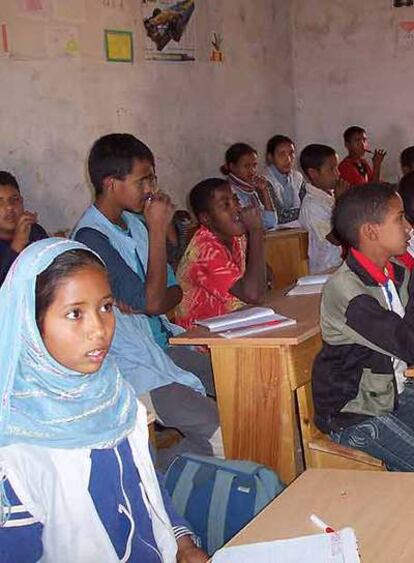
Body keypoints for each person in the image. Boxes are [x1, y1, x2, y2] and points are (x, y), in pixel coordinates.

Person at [0, 238, 208, 562]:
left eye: (106, 307)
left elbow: (147, 485)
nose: (99, 329)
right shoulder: (17, 449)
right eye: (74, 314)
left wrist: (182, 542)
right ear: (30, 322)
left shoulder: (117, 400)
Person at [73, 133, 223, 467]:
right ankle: (154, 477)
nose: (151, 189)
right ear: (111, 183)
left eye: (152, 179)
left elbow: (172, 293)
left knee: (241, 382)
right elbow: (155, 301)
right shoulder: (91, 239)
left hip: (164, 343)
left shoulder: (133, 225)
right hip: (132, 364)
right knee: (222, 434)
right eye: (143, 180)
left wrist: (146, 299)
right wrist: (158, 231)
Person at [312, 183, 414, 471]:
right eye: (400, 219)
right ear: (371, 231)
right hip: (354, 414)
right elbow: (408, 344)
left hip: (391, 392)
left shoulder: (397, 274)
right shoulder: (347, 290)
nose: (408, 227)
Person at [175, 178, 267, 330]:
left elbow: (263, 279)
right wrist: (256, 231)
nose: (237, 208)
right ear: (206, 218)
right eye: (226, 205)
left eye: (236, 200)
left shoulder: (237, 237)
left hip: (235, 324)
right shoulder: (204, 251)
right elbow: (253, 295)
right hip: (204, 342)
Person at [299, 144, 344, 273]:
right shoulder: (312, 205)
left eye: (337, 168)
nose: (338, 173)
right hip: (325, 271)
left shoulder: (329, 197)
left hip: (338, 266)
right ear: (313, 173)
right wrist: (341, 203)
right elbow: (335, 239)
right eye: (332, 169)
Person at [0, 171, 47, 286]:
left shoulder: (34, 231)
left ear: (22, 201)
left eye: (14, 199)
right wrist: (17, 246)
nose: (9, 207)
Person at [221, 143, 277, 230]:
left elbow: (271, 222)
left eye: (255, 165)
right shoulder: (229, 191)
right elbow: (248, 226)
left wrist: (264, 191)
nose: (252, 170)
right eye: (246, 166)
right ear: (233, 167)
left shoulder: (251, 190)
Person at [263, 134, 306, 224]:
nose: (288, 159)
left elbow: (307, 204)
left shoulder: (297, 177)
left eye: (291, 153)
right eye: (282, 154)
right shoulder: (264, 181)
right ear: (270, 157)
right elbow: (280, 216)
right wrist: (305, 212)